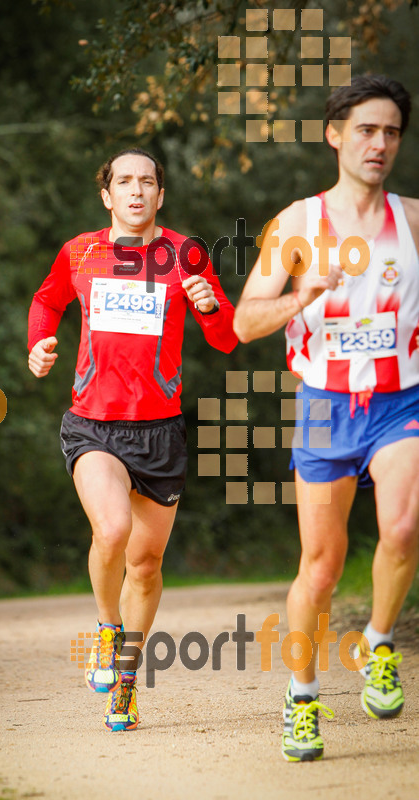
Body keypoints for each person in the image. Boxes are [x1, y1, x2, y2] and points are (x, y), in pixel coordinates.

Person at [234, 75, 419, 762]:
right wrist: (298, 295)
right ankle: (302, 695)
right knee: (320, 567)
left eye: (391, 132)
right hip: (323, 409)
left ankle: (376, 644)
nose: (378, 143)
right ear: (334, 135)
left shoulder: (414, 221)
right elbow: (243, 320)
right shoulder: (296, 225)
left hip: (401, 401)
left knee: (401, 526)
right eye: (366, 130)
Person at [28, 148, 238, 731]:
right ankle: (105, 627)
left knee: (145, 565)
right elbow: (47, 301)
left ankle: (125, 682)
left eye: (148, 182)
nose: (137, 191)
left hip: (160, 433)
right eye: (125, 182)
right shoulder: (81, 251)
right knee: (112, 529)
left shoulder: (186, 254)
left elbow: (224, 339)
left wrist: (212, 304)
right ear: (107, 195)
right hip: (92, 423)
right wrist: (38, 344)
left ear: (161, 195)